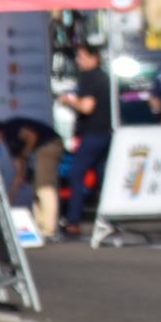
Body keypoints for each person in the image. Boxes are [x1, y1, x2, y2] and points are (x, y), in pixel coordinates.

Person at [58, 42, 113, 239]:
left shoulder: (91, 77)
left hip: (94, 134)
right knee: (102, 176)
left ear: (93, 58)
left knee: (76, 173)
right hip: (105, 133)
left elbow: (87, 107)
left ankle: (73, 221)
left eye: (81, 57)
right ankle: (109, 218)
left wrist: (69, 100)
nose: (78, 61)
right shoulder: (103, 77)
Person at [0, 114, 65, 238]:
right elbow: (19, 174)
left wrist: (25, 153)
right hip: (40, 149)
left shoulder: (10, 128)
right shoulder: (9, 142)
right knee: (36, 188)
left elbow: (32, 136)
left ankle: (49, 229)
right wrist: (8, 200)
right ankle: (40, 227)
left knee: (44, 187)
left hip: (49, 144)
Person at [0, 115, 34, 209]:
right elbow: (19, 173)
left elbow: (19, 173)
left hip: (46, 146)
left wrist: (24, 154)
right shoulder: (6, 140)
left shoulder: (10, 134)